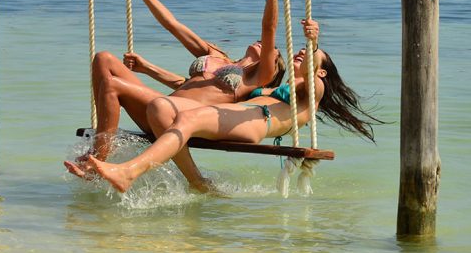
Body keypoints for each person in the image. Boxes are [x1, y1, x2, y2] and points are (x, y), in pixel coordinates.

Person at [66, 22, 381, 193]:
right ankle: (145, 173)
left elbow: (301, 76)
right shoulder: (269, 87)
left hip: (256, 122)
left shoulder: (315, 87)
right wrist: (149, 70)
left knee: (185, 117)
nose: (300, 52)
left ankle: (131, 172)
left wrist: (313, 41)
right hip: (238, 117)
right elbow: (193, 86)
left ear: (321, 69)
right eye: (300, 50)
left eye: (309, 55)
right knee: (182, 113)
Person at [84, 0, 287, 187]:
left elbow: (269, 27)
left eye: (273, 51)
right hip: (158, 107)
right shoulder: (217, 56)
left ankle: (97, 159)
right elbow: (173, 25)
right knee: (104, 59)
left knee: (112, 84)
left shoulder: (256, 78)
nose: (264, 45)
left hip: (177, 118)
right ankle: (102, 146)